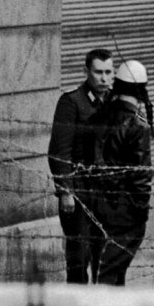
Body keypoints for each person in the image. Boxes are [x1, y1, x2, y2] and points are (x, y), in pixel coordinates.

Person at [47, 48, 114, 283]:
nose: (104, 78)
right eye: (98, 72)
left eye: (108, 72)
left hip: (105, 193)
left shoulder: (114, 103)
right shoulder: (71, 103)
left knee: (105, 255)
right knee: (79, 257)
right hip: (79, 193)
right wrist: (66, 191)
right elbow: (59, 151)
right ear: (86, 72)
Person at [88, 59, 152, 286]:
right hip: (126, 209)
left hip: (98, 202)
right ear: (141, 90)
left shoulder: (100, 116)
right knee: (112, 269)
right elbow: (141, 174)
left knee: (109, 265)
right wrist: (142, 209)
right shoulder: (138, 126)